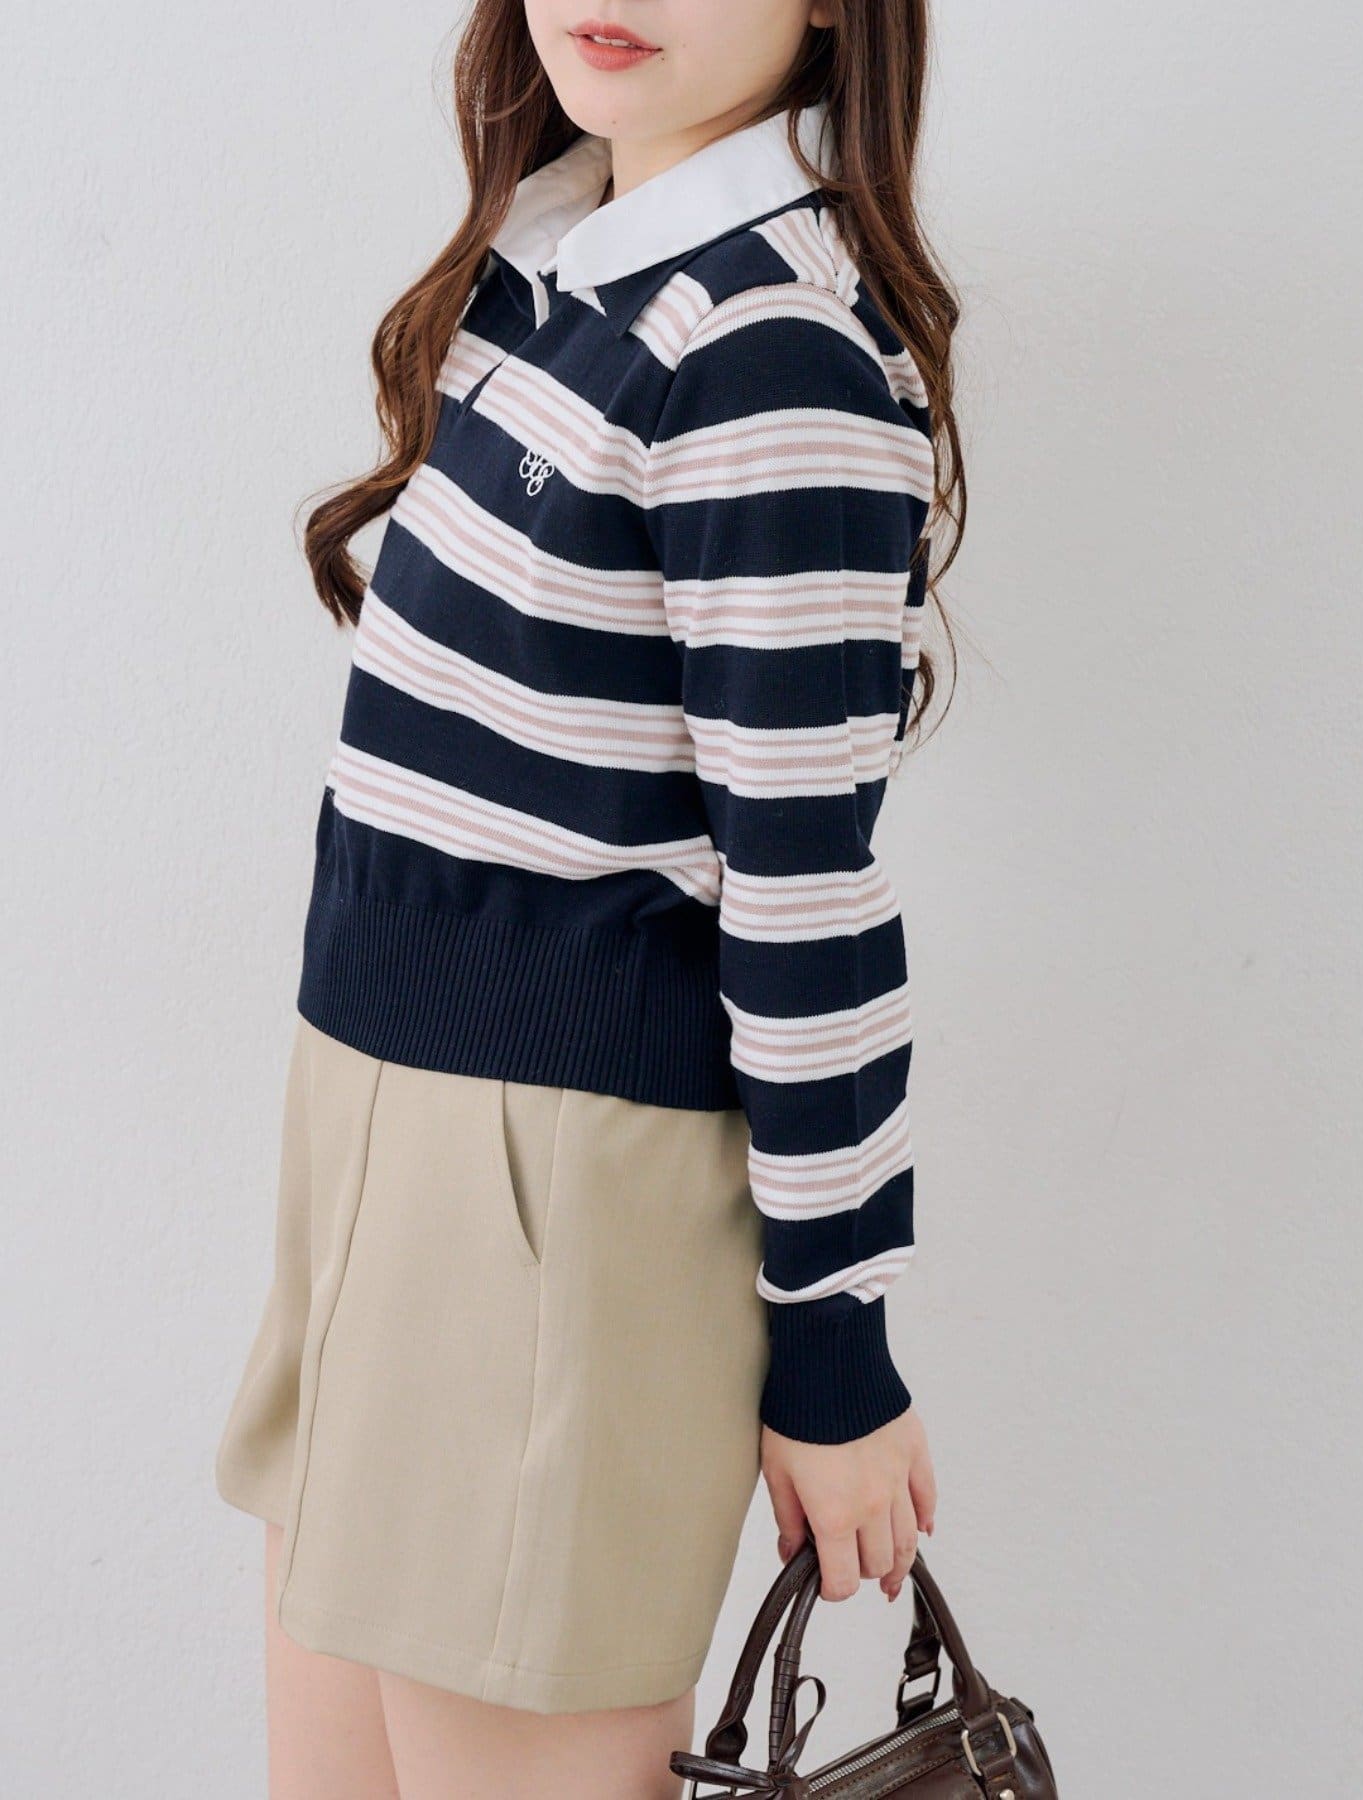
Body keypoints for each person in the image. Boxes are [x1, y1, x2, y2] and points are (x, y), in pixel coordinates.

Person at [214, 2, 967, 1793]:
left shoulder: (767, 346)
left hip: (556, 1194)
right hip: (381, 1123)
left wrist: (835, 1354)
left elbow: (806, 896)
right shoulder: (562, 260)